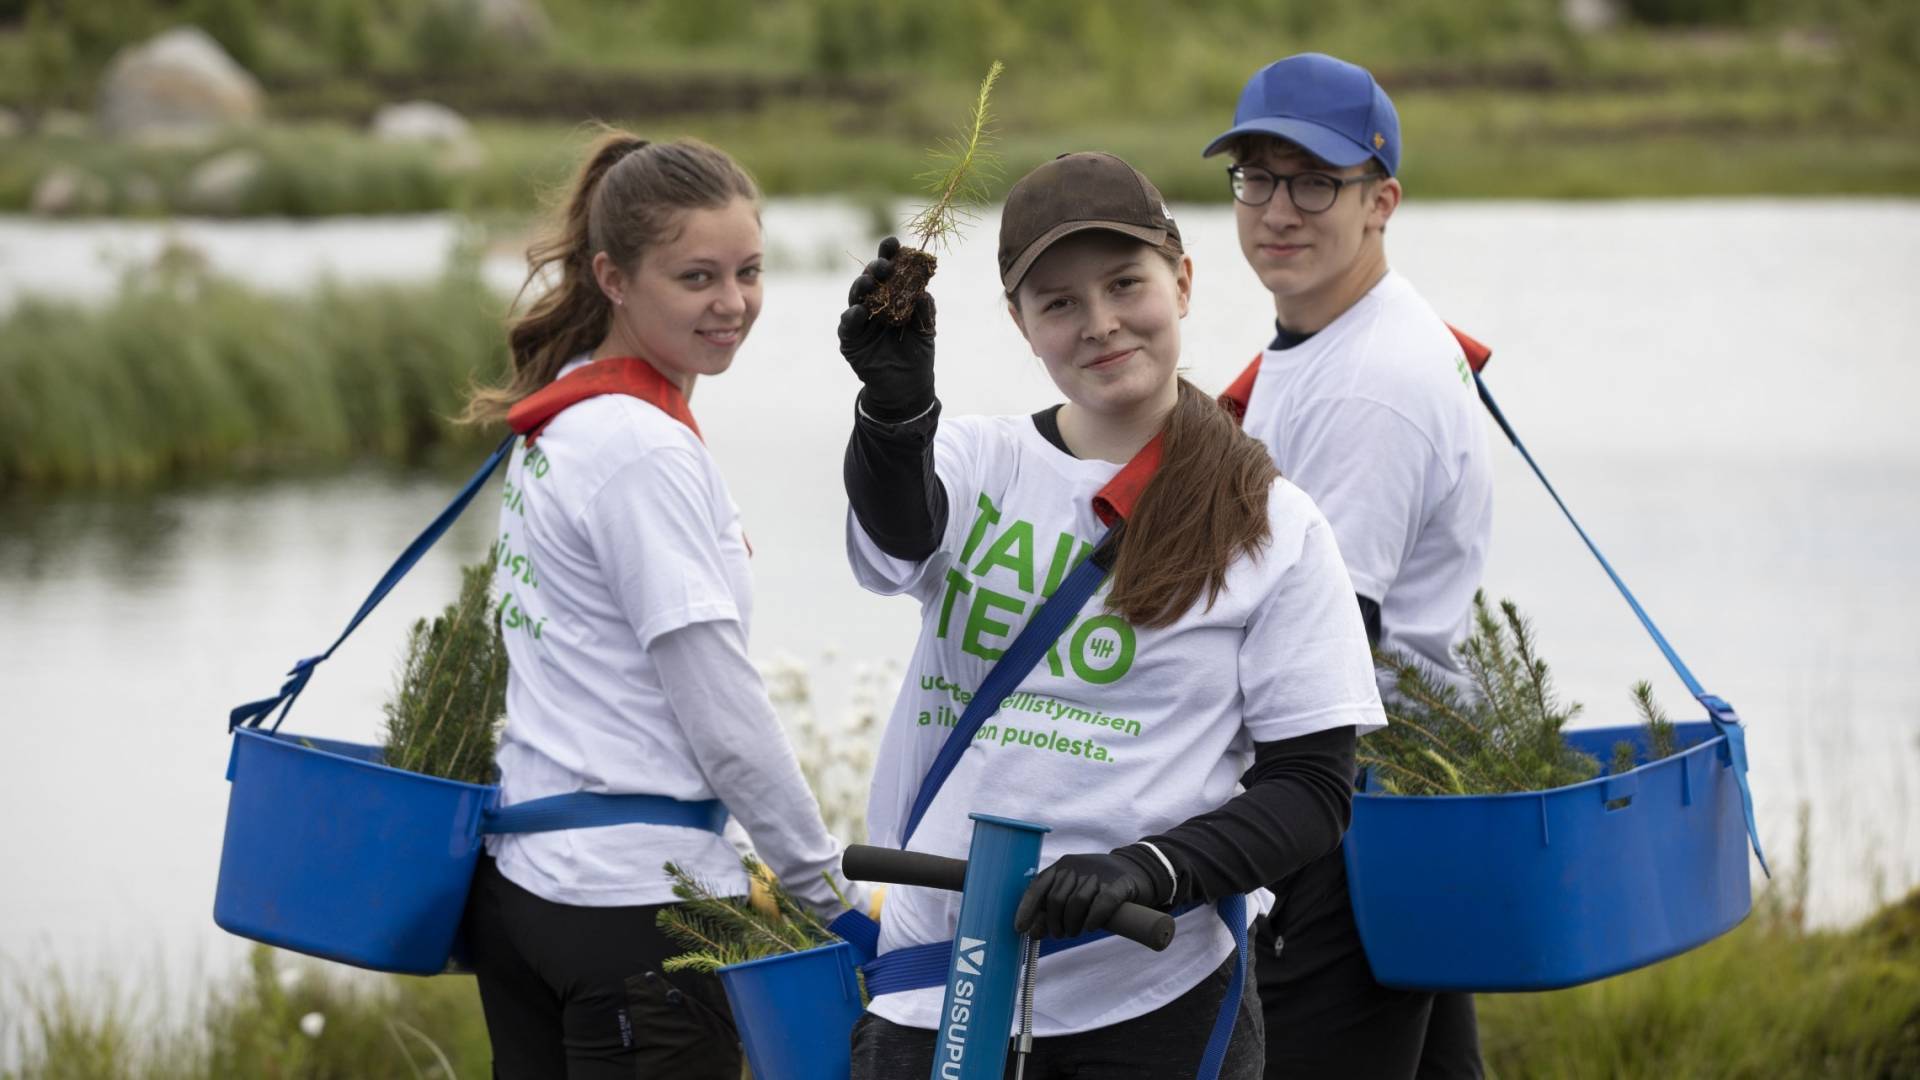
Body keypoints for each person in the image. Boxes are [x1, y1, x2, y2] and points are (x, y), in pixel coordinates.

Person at [835, 151, 1386, 1078]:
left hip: (1153, 995)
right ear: (1021, 324)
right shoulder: (975, 463)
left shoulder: (1276, 525)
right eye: (1058, 303)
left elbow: (1313, 790)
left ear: (1181, 279)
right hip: (943, 982)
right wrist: (893, 419)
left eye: (1125, 283)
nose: (1100, 324)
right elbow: (901, 526)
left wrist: (1152, 869)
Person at [458, 131, 865, 1079]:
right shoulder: (640, 451)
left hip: (526, 890)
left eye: (750, 271)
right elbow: (719, 708)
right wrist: (821, 889)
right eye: (696, 278)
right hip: (631, 914)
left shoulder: (563, 409)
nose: (733, 305)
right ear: (613, 276)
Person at [1202, 53, 1495, 1079]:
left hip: (1348, 814)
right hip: (1399, 805)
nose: (1278, 209)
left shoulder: (1372, 379)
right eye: (1256, 177)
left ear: (1382, 201)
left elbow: (1335, 642)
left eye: (1314, 181)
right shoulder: (1326, 337)